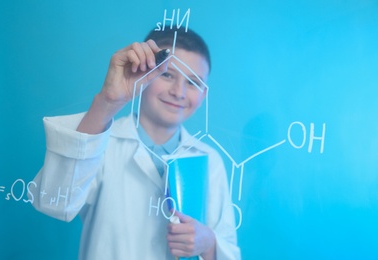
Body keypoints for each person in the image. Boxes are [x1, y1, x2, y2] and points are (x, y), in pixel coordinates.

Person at [31, 27, 241, 260]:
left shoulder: (210, 161)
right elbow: (53, 202)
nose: (179, 92)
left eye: (193, 82)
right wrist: (107, 102)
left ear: (203, 95)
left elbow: (230, 251)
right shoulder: (100, 139)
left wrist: (209, 244)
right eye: (167, 75)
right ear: (143, 74)